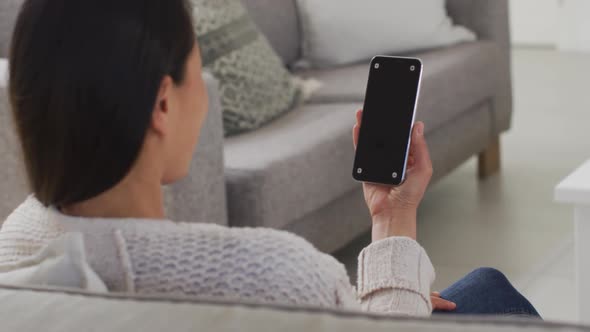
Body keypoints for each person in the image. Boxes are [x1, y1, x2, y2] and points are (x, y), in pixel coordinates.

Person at [0, 0, 539, 317]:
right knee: (490, 291)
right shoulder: (271, 275)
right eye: (198, 66)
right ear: (164, 104)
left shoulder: (13, 251)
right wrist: (393, 218)